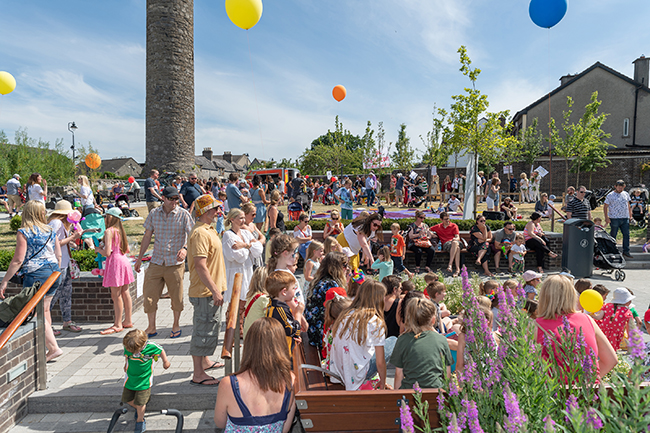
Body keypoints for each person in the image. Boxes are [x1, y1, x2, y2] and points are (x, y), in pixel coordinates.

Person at [0, 200, 63, 361]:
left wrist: (5, 280)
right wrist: (56, 270)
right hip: (54, 273)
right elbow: (58, 254)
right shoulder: (50, 230)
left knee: (34, 313)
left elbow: (18, 260)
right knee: (45, 310)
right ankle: (48, 345)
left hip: (36, 275)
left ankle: (53, 348)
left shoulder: (24, 232)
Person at [214, 317, 297, 433]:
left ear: (249, 345)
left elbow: (220, 422)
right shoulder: (291, 380)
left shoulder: (229, 384)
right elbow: (285, 429)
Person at [135, 186, 193, 338]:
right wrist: (139, 258)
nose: (175, 201)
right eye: (171, 199)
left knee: (177, 297)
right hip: (157, 260)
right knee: (149, 295)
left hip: (175, 262)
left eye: (176, 199)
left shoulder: (183, 214)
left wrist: (185, 248)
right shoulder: (154, 214)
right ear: (163, 198)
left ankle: (175, 324)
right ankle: (151, 326)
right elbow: (147, 236)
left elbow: (192, 235)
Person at [535, 275, 617, 380]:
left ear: (543, 297)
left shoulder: (536, 326)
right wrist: (587, 382)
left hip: (554, 392)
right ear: (572, 296)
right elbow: (611, 360)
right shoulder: (588, 320)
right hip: (588, 393)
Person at [187, 194, 227, 386]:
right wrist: (215, 290)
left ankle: (205, 362)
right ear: (205, 211)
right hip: (205, 292)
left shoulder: (208, 229)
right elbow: (200, 265)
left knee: (209, 328)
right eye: (215, 208)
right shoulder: (201, 233)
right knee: (203, 330)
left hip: (210, 290)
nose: (218, 211)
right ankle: (198, 374)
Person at [329, 280, 396, 390]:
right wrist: (383, 384)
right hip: (358, 374)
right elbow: (380, 363)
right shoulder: (375, 321)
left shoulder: (346, 314)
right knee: (393, 340)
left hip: (341, 369)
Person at [391, 297, 452, 389]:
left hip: (410, 392)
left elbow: (399, 373)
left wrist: (397, 397)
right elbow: (447, 374)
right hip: (436, 393)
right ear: (433, 320)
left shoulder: (402, 339)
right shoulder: (441, 340)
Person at [95, 207, 135, 335]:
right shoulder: (120, 230)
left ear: (110, 217)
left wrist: (97, 249)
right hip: (124, 261)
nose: (104, 218)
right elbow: (127, 249)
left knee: (116, 295)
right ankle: (128, 320)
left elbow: (107, 253)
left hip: (115, 263)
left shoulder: (108, 231)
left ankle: (117, 324)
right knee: (125, 292)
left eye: (105, 216)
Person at [122, 329, 171, 433]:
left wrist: (165, 361)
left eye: (134, 350)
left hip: (144, 380)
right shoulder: (129, 346)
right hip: (130, 378)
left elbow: (161, 350)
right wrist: (125, 364)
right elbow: (127, 356)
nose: (131, 351)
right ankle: (140, 410)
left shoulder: (151, 346)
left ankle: (140, 420)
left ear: (142, 344)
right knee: (127, 399)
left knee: (140, 402)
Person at [47, 201, 83, 334]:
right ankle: (46, 324)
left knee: (66, 294)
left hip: (64, 263)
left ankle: (67, 321)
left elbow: (60, 242)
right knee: (53, 295)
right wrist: (73, 237)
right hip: (58, 264)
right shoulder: (56, 223)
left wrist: (71, 240)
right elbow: (53, 242)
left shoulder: (60, 224)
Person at [304, 251, 349, 350]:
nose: (347, 268)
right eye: (345, 265)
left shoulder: (321, 280)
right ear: (336, 267)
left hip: (313, 333)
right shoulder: (331, 285)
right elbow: (339, 313)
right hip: (321, 336)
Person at [222, 208, 263, 311]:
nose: (243, 220)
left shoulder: (245, 233)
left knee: (244, 305)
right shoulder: (228, 235)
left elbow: (258, 249)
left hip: (247, 271)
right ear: (232, 219)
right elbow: (240, 257)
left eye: (244, 218)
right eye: (240, 218)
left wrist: (244, 245)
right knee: (234, 306)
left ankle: (241, 326)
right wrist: (250, 247)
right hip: (235, 273)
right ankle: (231, 326)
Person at [265, 271, 304, 357]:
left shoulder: (271, 305)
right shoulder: (280, 310)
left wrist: (294, 339)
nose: (294, 291)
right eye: (293, 288)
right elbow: (294, 330)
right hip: (283, 353)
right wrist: (298, 313)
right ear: (284, 292)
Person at [603, 179, 633, 259]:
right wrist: (606, 217)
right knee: (613, 235)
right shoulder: (610, 195)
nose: (620, 188)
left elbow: (628, 205)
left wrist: (630, 215)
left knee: (626, 235)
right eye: (618, 187)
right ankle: (611, 251)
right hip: (614, 218)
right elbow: (605, 206)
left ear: (624, 187)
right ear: (615, 186)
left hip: (625, 217)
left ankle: (626, 251)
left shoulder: (626, 194)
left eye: (622, 187)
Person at [431, 211, 461, 277]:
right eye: (446, 219)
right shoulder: (438, 227)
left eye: (448, 218)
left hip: (457, 242)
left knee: (455, 243)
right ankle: (457, 270)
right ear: (441, 219)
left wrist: (455, 239)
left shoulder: (454, 226)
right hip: (446, 244)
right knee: (457, 249)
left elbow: (457, 237)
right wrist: (431, 234)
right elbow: (427, 229)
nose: (448, 220)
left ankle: (450, 265)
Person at [242, 267, 269, 340]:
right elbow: (269, 317)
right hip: (258, 335)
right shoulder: (264, 298)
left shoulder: (251, 296)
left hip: (248, 334)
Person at [406, 210, 436, 274]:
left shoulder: (425, 225)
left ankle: (427, 266)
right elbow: (410, 236)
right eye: (421, 217)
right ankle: (417, 266)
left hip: (423, 242)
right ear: (417, 217)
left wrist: (428, 237)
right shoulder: (412, 226)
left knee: (432, 250)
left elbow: (429, 234)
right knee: (419, 251)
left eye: (423, 218)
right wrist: (419, 234)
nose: (422, 219)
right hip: (414, 242)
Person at [241, 203, 266, 269]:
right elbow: (253, 241)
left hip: (257, 255)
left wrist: (257, 244)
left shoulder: (252, 224)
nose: (254, 216)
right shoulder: (243, 227)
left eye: (255, 214)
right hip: (250, 258)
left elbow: (263, 236)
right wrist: (259, 243)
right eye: (253, 214)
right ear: (245, 214)